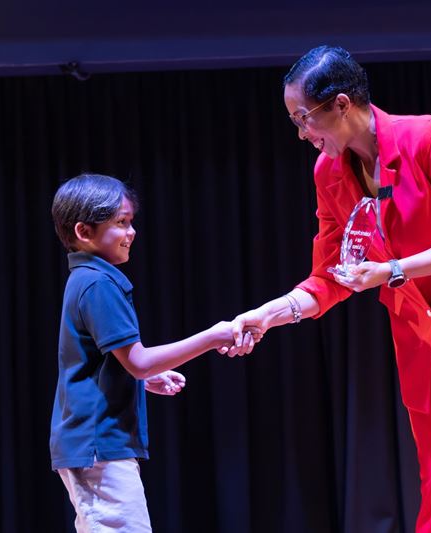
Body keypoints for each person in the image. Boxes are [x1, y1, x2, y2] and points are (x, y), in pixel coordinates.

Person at [229, 46, 431, 532]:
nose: (302, 133)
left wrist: (392, 271)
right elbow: (328, 276)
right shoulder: (329, 172)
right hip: (425, 345)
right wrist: (268, 315)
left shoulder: (426, 137)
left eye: (304, 118)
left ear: (342, 104)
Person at [49, 173, 254, 533]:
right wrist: (212, 335)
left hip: (95, 443)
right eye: (121, 223)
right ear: (84, 231)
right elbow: (139, 361)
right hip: (98, 445)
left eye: (131, 223)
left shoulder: (87, 279)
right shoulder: (97, 283)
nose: (131, 233)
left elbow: (108, 363)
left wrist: (144, 380)